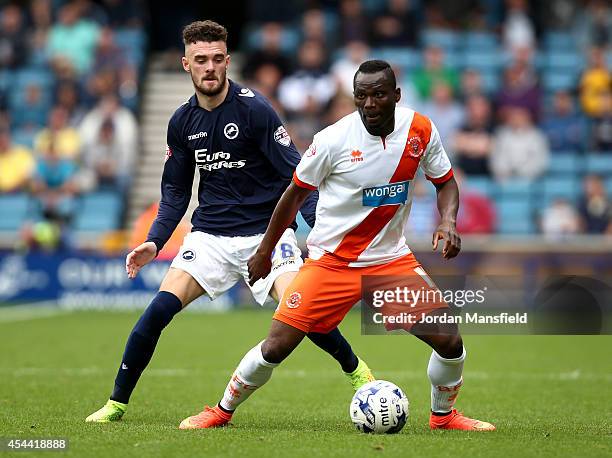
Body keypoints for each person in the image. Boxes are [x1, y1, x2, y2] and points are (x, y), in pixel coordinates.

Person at [182, 60, 495, 432]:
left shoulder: (421, 130)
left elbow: (445, 182)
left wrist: (447, 221)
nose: (370, 104)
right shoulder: (332, 140)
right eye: (361, 96)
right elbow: (294, 196)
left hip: (389, 262)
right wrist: (265, 251)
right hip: (331, 263)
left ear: (396, 95)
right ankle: (221, 411)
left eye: (379, 95)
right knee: (276, 346)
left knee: (449, 340)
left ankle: (443, 417)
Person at [85, 20, 373, 424]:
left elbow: (298, 178)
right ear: (186, 64)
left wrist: (323, 234)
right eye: (200, 60)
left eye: (217, 59)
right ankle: (116, 403)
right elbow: (175, 192)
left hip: (266, 237)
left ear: (227, 61)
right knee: (155, 314)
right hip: (209, 238)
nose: (210, 67)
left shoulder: (255, 110)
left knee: (304, 312)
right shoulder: (182, 122)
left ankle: (358, 373)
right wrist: (155, 240)